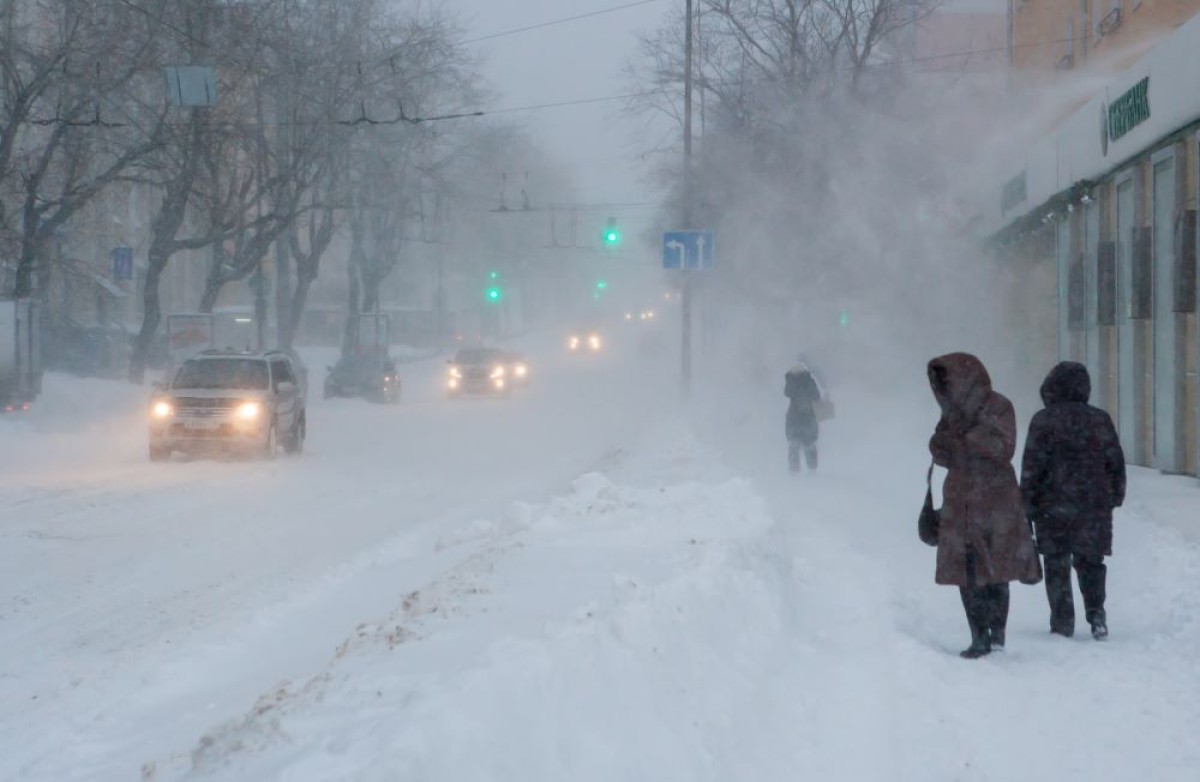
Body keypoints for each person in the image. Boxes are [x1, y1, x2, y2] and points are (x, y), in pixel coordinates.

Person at [927, 352, 1042, 658]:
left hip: (995, 499)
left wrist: (965, 437)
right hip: (961, 500)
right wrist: (943, 443)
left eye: (949, 381)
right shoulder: (951, 413)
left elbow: (1003, 448)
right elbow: (940, 452)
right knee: (966, 572)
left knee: (997, 568)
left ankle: (997, 633)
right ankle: (978, 637)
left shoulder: (999, 406)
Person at [1020, 361, 1125, 640]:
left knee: (1056, 562)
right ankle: (1096, 613)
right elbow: (1114, 460)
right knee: (1091, 560)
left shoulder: (1043, 420)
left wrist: (1026, 506)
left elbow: (1032, 467)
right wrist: (1115, 495)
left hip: (1052, 505)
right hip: (1093, 503)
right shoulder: (1099, 419)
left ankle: (1062, 621)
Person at [784, 360, 821, 473]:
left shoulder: (791, 382)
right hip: (808, 418)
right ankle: (812, 469)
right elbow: (816, 396)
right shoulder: (810, 381)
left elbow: (787, 393)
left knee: (794, 445)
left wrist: (790, 377)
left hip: (794, 419)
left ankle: (794, 471)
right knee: (809, 443)